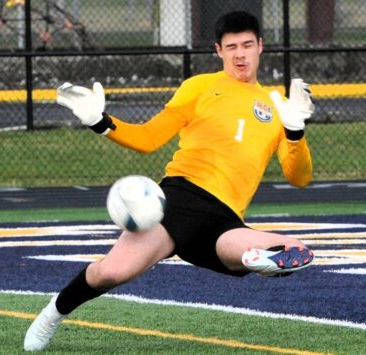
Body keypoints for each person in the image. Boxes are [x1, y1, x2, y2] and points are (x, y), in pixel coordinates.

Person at [24, 10, 315, 352]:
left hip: (224, 222)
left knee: (296, 248)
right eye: (232, 46)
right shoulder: (200, 87)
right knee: (111, 273)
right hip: (177, 202)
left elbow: (299, 178)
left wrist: (295, 133)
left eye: (247, 45)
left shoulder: (279, 107)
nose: (240, 54)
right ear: (218, 50)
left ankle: (259, 261)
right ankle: (51, 314)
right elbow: (149, 137)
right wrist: (100, 122)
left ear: (261, 47)